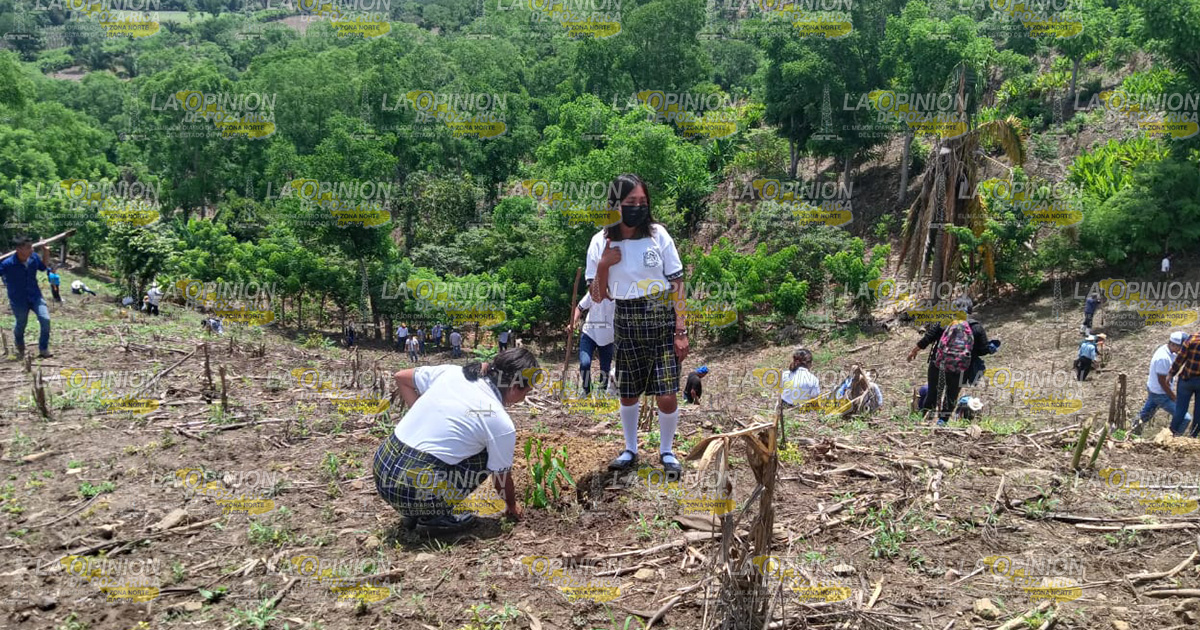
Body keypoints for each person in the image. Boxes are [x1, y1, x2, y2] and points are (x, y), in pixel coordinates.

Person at [588, 174, 688, 478]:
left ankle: (667, 451)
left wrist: (681, 330)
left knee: (667, 392)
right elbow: (597, 294)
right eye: (631, 202)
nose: (638, 207)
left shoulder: (658, 235)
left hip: (661, 317)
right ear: (615, 204)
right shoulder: (600, 241)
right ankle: (630, 449)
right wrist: (605, 263)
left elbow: (677, 284)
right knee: (628, 392)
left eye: (643, 202)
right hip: (626, 318)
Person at [374, 349, 536, 533]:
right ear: (515, 387)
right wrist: (512, 506)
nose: (524, 399)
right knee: (486, 454)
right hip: (410, 490)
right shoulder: (499, 421)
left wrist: (421, 413)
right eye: (526, 392)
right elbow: (501, 477)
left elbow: (401, 376)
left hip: (382, 471)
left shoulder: (452, 372)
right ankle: (434, 517)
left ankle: (415, 508)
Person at [907, 299, 994, 425]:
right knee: (951, 396)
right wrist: (991, 347)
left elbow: (928, 338)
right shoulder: (976, 327)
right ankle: (942, 422)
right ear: (970, 310)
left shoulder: (944, 321)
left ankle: (922, 420)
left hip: (938, 364)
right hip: (960, 369)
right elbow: (983, 350)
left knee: (933, 393)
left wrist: (914, 351)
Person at [0, 237, 53, 359]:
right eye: (28, 247)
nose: (31, 249)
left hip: (35, 296)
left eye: (31, 246)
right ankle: (19, 344)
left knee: (45, 319)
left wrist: (46, 252)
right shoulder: (7, 264)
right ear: (18, 249)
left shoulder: (33, 258)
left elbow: (43, 267)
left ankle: (43, 348)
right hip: (18, 299)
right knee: (21, 324)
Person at [1135, 332, 1191, 436]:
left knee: (1144, 416)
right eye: (1182, 347)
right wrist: (1173, 397)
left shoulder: (1167, 351)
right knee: (1185, 418)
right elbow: (1162, 382)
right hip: (1160, 393)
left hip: (1154, 390)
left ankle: (1130, 433)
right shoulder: (1163, 358)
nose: (1183, 350)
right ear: (1173, 345)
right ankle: (1173, 439)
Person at [570, 291, 615, 397]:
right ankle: (587, 391)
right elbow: (580, 307)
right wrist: (573, 322)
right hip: (589, 334)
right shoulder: (594, 291)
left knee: (605, 369)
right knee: (584, 363)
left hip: (608, 338)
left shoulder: (619, 296)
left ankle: (601, 393)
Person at [1169, 331, 1200, 437]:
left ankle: (1171, 435)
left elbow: (1180, 358)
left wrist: (1171, 373)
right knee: (1199, 412)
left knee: (1180, 410)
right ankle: (1193, 437)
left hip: (1186, 380)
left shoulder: (1192, 339)